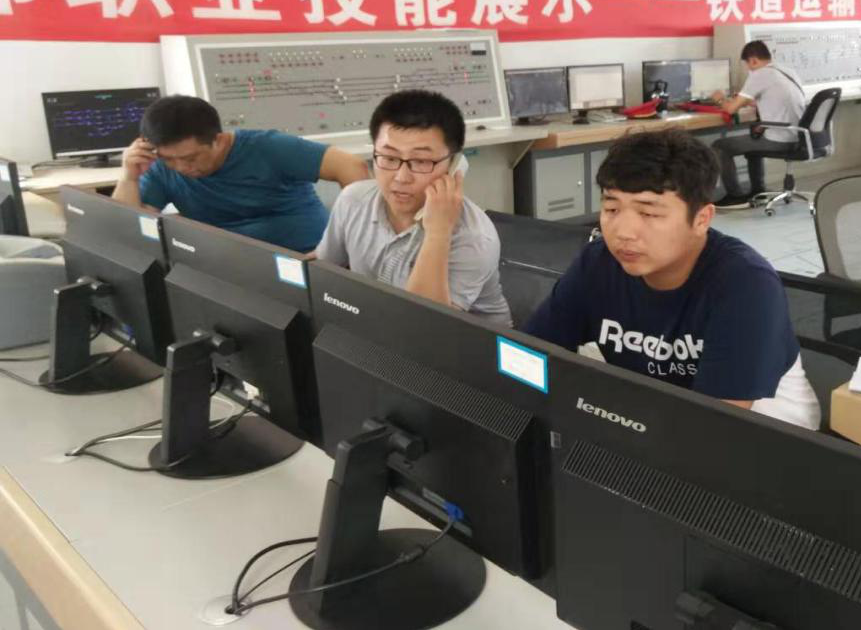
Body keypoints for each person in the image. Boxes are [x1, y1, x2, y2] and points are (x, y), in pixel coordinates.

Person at [523, 127, 820, 430]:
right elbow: (529, 353)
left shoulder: (746, 284)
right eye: (612, 208)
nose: (623, 232)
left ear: (701, 219)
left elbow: (717, 425)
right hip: (658, 412)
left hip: (765, 428)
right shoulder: (598, 263)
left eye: (649, 214)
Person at [316, 90, 511, 327]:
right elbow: (321, 273)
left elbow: (424, 327)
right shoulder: (353, 200)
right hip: (380, 330)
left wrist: (438, 232)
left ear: (454, 165)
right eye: (389, 158)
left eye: (421, 161)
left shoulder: (473, 236)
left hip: (465, 345)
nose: (401, 177)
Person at [114, 95, 368, 253]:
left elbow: (352, 166)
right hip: (228, 265)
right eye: (169, 159)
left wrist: (348, 242)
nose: (181, 167)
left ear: (218, 139)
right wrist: (129, 177)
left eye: (191, 158)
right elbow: (129, 232)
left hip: (302, 256)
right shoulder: (160, 166)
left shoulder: (268, 147)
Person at [709, 40, 808, 209]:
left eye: (748, 65)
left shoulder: (760, 74)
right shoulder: (787, 71)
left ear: (753, 60)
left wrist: (719, 98)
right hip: (798, 135)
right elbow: (778, 99)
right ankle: (758, 190)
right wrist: (750, 101)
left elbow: (731, 109)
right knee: (754, 140)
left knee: (720, 146)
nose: (749, 69)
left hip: (780, 139)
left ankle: (735, 196)